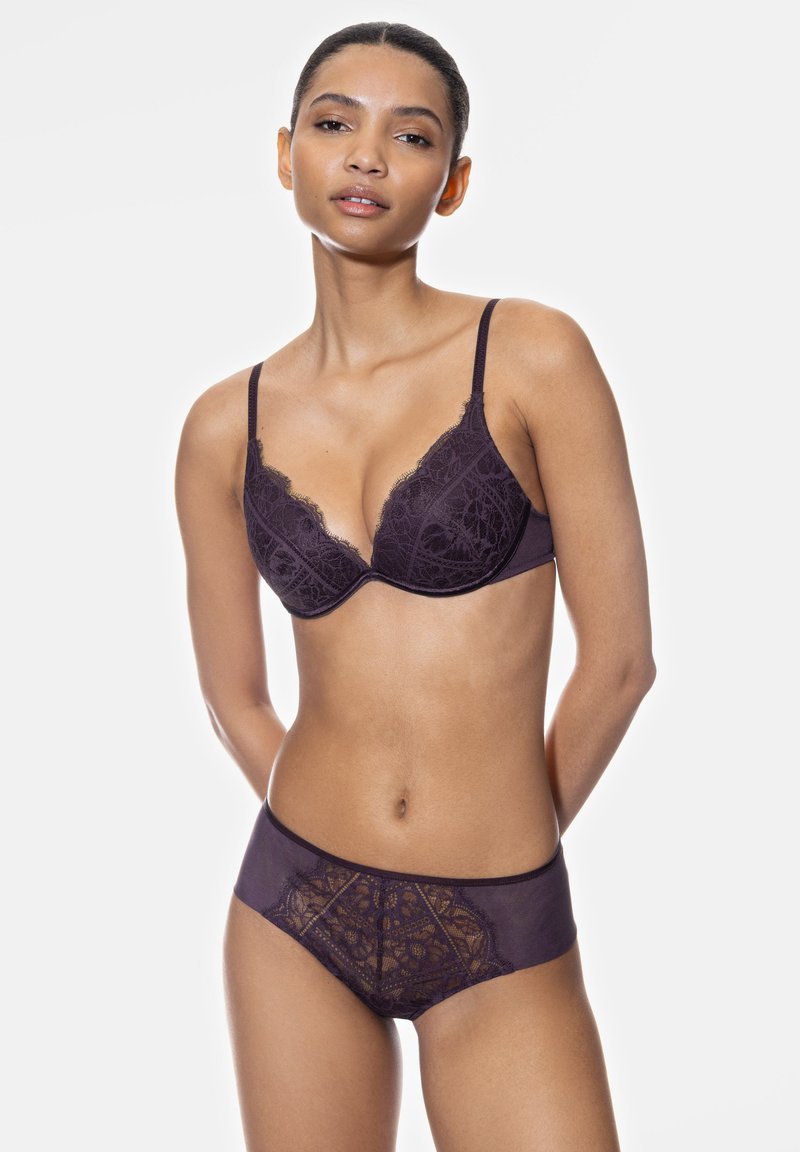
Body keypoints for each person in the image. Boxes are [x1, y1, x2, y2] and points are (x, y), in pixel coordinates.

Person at [174, 20, 655, 1152]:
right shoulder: (222, 426)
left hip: (499, 915)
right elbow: (234, 698)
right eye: (334, 124)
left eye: (412, 135)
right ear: (286, 154)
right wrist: (324, 831)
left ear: (454, 182)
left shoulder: (531, 356)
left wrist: (499, 837)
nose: (365, 155)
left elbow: (621, 663)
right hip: (295, 910)